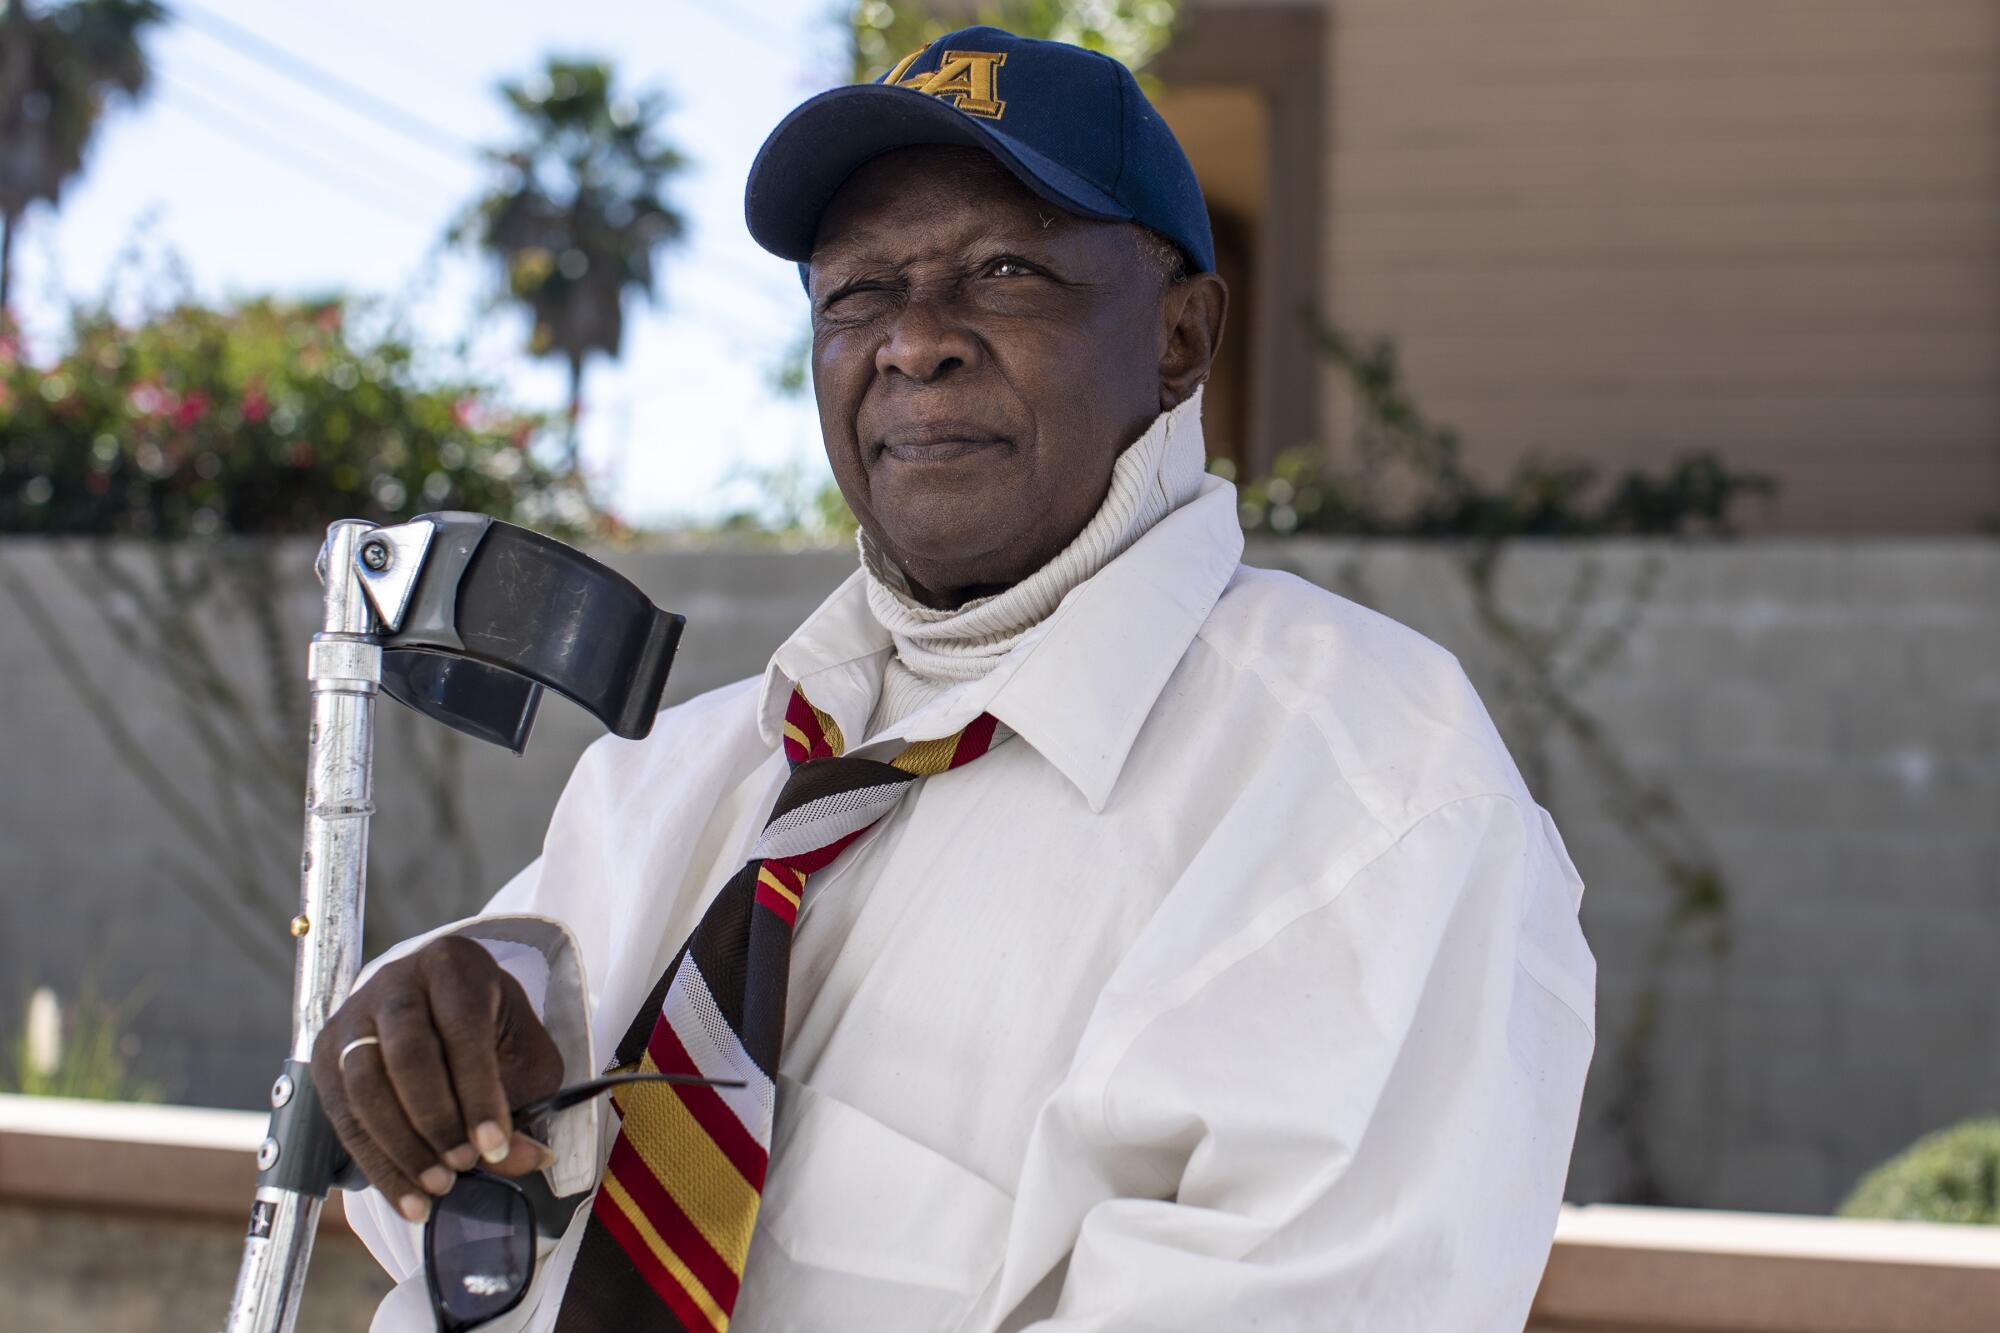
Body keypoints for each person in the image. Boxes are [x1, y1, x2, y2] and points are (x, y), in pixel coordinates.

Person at [316, 27, 1595, 1332]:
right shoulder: (676, 777)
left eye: (1005, 270)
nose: (915, 341)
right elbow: (447, 1218)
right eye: (856, 293)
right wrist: (419, 1056)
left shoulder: (1362, 802)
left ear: (1179, 337)